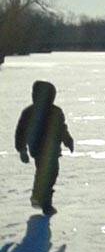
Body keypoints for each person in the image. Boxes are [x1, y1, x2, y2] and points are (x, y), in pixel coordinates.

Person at [13, 81, 75, 216]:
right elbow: (21, 132)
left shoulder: (56, 111)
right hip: (38, 150)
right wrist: (22, 149)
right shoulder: (30, 112)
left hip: (53, 150)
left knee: (51, 174)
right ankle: (44, 202)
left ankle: (40, 197)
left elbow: (61, 128)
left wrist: (68, 140)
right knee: (45, 173)